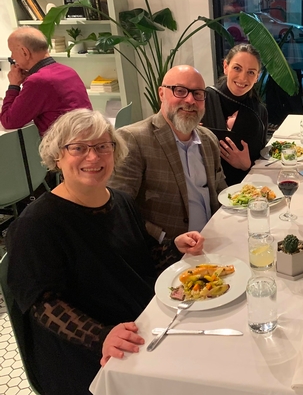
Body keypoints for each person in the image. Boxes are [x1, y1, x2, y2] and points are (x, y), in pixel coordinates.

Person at [5, 109, 205, 395]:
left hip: (141, 324)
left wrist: (174, 247)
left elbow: (143, 256)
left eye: (102, 146)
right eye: (78, 147)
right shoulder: (36, 224)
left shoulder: (121, 201)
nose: (93, 157)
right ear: (57, 156)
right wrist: (101, 335)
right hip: (87, 351)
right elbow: (43, 304)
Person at [110, 65, 227, 242]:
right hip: (166, 252)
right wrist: (165, 238)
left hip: (213, 238)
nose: (190, 100)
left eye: (198, 93)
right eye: (180, 91)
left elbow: (220, 190)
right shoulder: (133, 139)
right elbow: (119, 209)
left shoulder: (209, 139)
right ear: (161, 93)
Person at [1, 27, 92, 135]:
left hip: (62, 147)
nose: (12, 57)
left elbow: (9, 121)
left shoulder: (37, 81)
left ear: (24, 52)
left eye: (12, 52)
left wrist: (13, 86)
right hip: (85, 139)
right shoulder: (68, 71)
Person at [202, 44, 268, 186]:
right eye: (237, 68)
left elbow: (262, 158)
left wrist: (245, 165)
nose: (243, 78)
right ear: (225, 67)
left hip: (249, 187)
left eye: (251, 72)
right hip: (209, 189)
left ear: (258, 76)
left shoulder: (259, 111)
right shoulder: (203, 101)